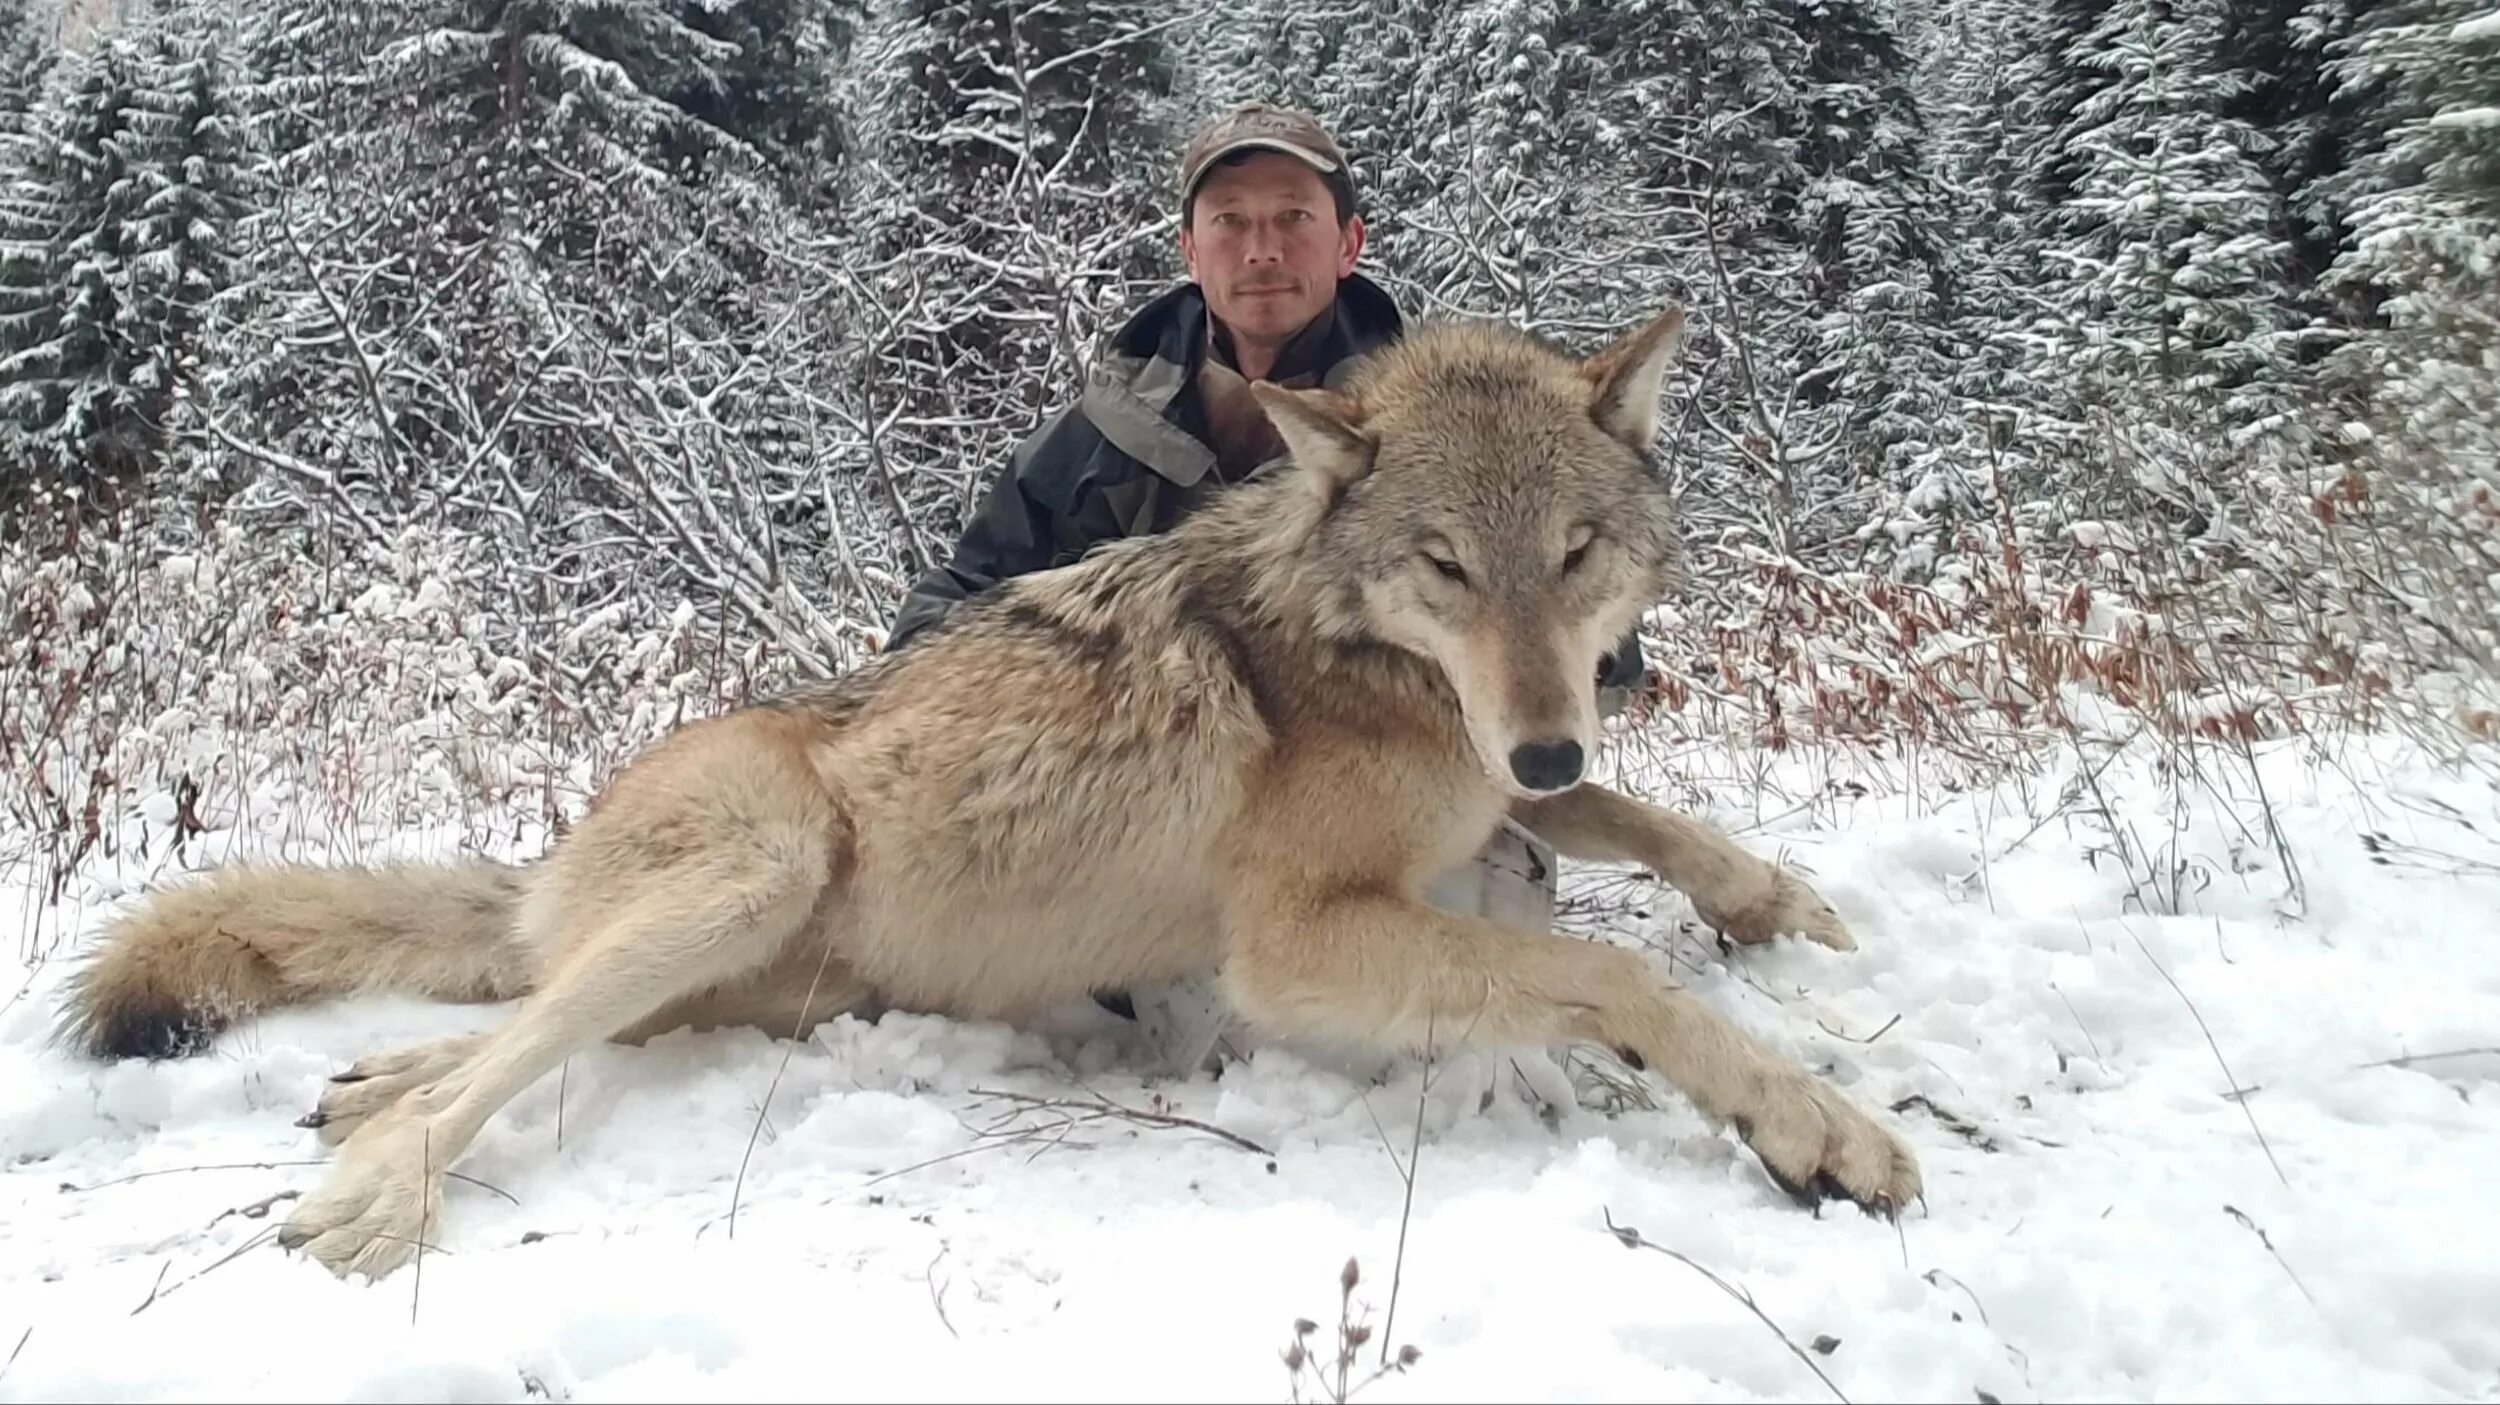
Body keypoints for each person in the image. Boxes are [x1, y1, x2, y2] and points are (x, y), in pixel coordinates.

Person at [884, 102, 1648, 1021]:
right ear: (1191, 251)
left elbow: (1575, 631)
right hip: (1161, 807)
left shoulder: (1448, 431)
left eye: (1294, 218)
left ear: (1349, 242)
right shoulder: (1102, 429)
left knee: (1460, 971)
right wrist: (974, 711)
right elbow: (962, 592)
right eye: (1232, 222)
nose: (1262, 250)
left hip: (1368, 787)